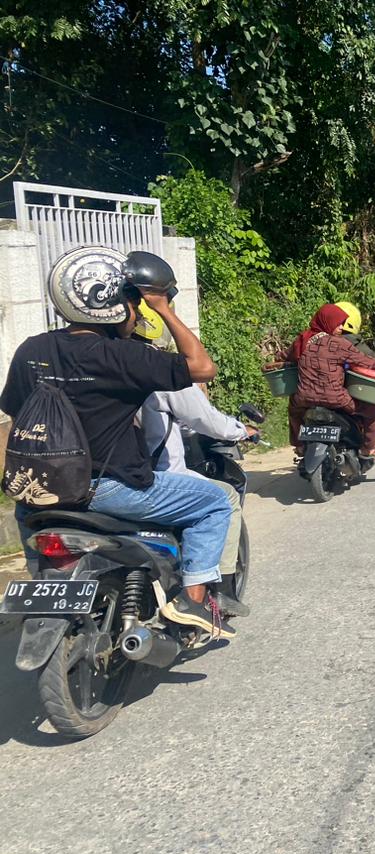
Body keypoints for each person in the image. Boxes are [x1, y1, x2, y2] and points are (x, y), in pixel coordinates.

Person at [0, 246, 237, 637]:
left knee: (33, 529)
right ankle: (193, 600)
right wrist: (163, 308)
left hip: (36, 490)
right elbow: (202, 368)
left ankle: (46, 587)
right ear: (119, 302)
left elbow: (13, 408)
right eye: (133, 302)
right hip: (108, 489)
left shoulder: (31, 350)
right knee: (213, 502)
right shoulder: (122, 356)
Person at [133, 302, 256, 613]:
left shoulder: (87, 362)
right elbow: (206, 419)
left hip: (86, 479)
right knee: (224, 498)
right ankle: (220, 591)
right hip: (155, 477)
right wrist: (241, 430)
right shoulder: (155, 368)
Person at [285, 303, 375, 465]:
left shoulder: (302, 340)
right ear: (327, 322)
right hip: (336, 398)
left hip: (304, 399)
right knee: (373, 411)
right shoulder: (337, 344)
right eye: (338, 323)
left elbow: (285, 357)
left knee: (293, 410)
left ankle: (299, 445)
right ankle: (368, 449)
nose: (341, 327)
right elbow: (366, 361)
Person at [334, 301, 375, 444]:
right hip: (348, 396)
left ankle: (299, 446)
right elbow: (372, 364)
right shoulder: (355, 346)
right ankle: (374, 444)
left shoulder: (315, 341)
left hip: (313, 396)